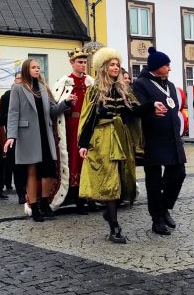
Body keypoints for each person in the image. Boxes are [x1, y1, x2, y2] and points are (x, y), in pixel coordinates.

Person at [78, 47, 158, 243]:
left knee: (121, 180)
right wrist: (83, 144)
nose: (115, 67)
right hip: (101, 139)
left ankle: (109, 213)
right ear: (104, 67)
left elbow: (135, 111)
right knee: (110, 181)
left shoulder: (124, 89)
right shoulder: (95, 90)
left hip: (121, 139)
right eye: (112, 64)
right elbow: (88, 118)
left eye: (117, 65)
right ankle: (114, 225)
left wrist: (152, 105)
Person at [4, 59, 75, 222]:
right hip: (27, 134)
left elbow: (52, 110)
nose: (37, 70)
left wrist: (66, 102)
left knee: (48, 171)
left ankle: (44, 204)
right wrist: (11, 136)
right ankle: (34, 206)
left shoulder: (43, 88)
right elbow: (13, 113)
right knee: (32, 171)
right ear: (26, 70)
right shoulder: (18, 88)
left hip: (45, 134)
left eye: (38, 67)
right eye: (33, 67)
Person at [132, 47, 186, 235]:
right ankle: (157, 219)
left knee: (179, 173)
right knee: (154, 181)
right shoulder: (140, 84)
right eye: (166, 65)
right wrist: (151, 108)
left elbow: (174, 108)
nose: (170, 68)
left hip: (172, 137)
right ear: (156, 67)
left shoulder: (169, 85)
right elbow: (136, 109)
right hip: (152, 138)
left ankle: (164, 207)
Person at [51, 48, 94, 214]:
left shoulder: (91, 82)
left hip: (87, 125)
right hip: (71, 125)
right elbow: (55, 107)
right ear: (72, 63)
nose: (83, 65)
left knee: (89, 160)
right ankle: (77, 199)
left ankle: (89, 197)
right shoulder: (64, 82)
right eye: (80, 62)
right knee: (75, 160)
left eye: (85, 62)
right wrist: (68, 103)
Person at [0, 71, 27, 204]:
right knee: (17, 165)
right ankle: (21, 193)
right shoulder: (7, 96)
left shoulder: (31, 92)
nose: (20, 81)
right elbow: (2, 117)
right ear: (14, 80)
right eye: (18, 79)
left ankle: (30, 191)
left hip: (29, 134)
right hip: (14, 134)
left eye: (22, 79)